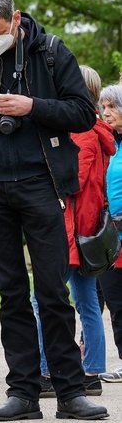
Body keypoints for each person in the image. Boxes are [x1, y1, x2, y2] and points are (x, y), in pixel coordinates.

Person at [0, 0, 107, 420]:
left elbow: (83, 114)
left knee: (52, 291)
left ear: (15, 20)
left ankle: (71, 392)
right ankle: (23, 394)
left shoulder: (51, 52)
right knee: (11, 293)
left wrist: (33, 106)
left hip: (41, 183)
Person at [33, 65, 113, 398]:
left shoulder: (81, 132)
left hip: (71, 232)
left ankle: (48, 371)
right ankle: (91, 371)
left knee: (44, 302)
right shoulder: (95, 131)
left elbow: (70, 182)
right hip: (85, 232)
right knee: (86, 303)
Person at [98, 84, 122, 383]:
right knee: (115, 302)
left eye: (112, 107)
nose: (106, 113)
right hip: (108, 235)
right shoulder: (104, 143)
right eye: (103, 108)